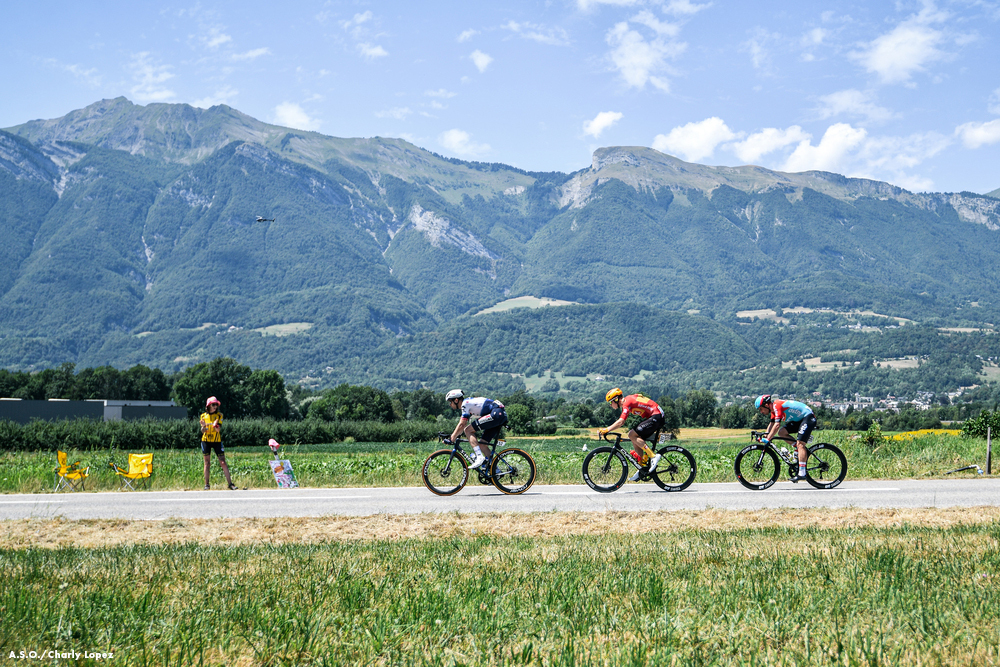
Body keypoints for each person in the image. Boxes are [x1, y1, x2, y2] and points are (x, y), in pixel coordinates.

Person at [599, 388, 663, 481]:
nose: (610, 405)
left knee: (632, 434)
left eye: (610, 402)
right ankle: (642, 467)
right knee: (635, 437)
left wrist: (607, 429)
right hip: (655, 416)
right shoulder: (628, 401)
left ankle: (653, 456)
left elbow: (621, 422)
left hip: (656, 415)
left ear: (616, 399)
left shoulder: (626, 403)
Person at [755, 394, 816, 482]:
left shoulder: (777, 405)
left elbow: (776, 425)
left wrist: (768, 439)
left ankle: (802, 473)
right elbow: (771, 424)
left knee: (800, 444)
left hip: (808, 417)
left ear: (767, 405)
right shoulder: (773, 411)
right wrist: (765, 435)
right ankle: (798, 449)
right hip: (799, 420)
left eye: (761, 409)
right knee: (782, 432)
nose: (761, 412)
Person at [446, 389, 507, 470]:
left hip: (496, 413)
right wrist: (455, 435)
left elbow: (462, 424)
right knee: (482, 444)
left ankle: (479, 457)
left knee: (468, 430)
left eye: (450, 402)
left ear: (456, 400)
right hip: (498, 414)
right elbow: (462, 425)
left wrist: (452, 437)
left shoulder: (465, 404)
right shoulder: (468, 404)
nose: (450, 404)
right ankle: (496, 471)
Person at [200, 396, 237, 490]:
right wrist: (204, 427)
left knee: (223, 462)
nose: (215, 406)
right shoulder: (203, 416)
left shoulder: (219, 415)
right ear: (208, 406)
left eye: (216, 404)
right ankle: (207, 484)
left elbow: (218, 430)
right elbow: (203, 431)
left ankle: (230, 484)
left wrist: (215, 425)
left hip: (217, 441)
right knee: (207, 463)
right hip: (206, 441)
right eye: (213, 405)